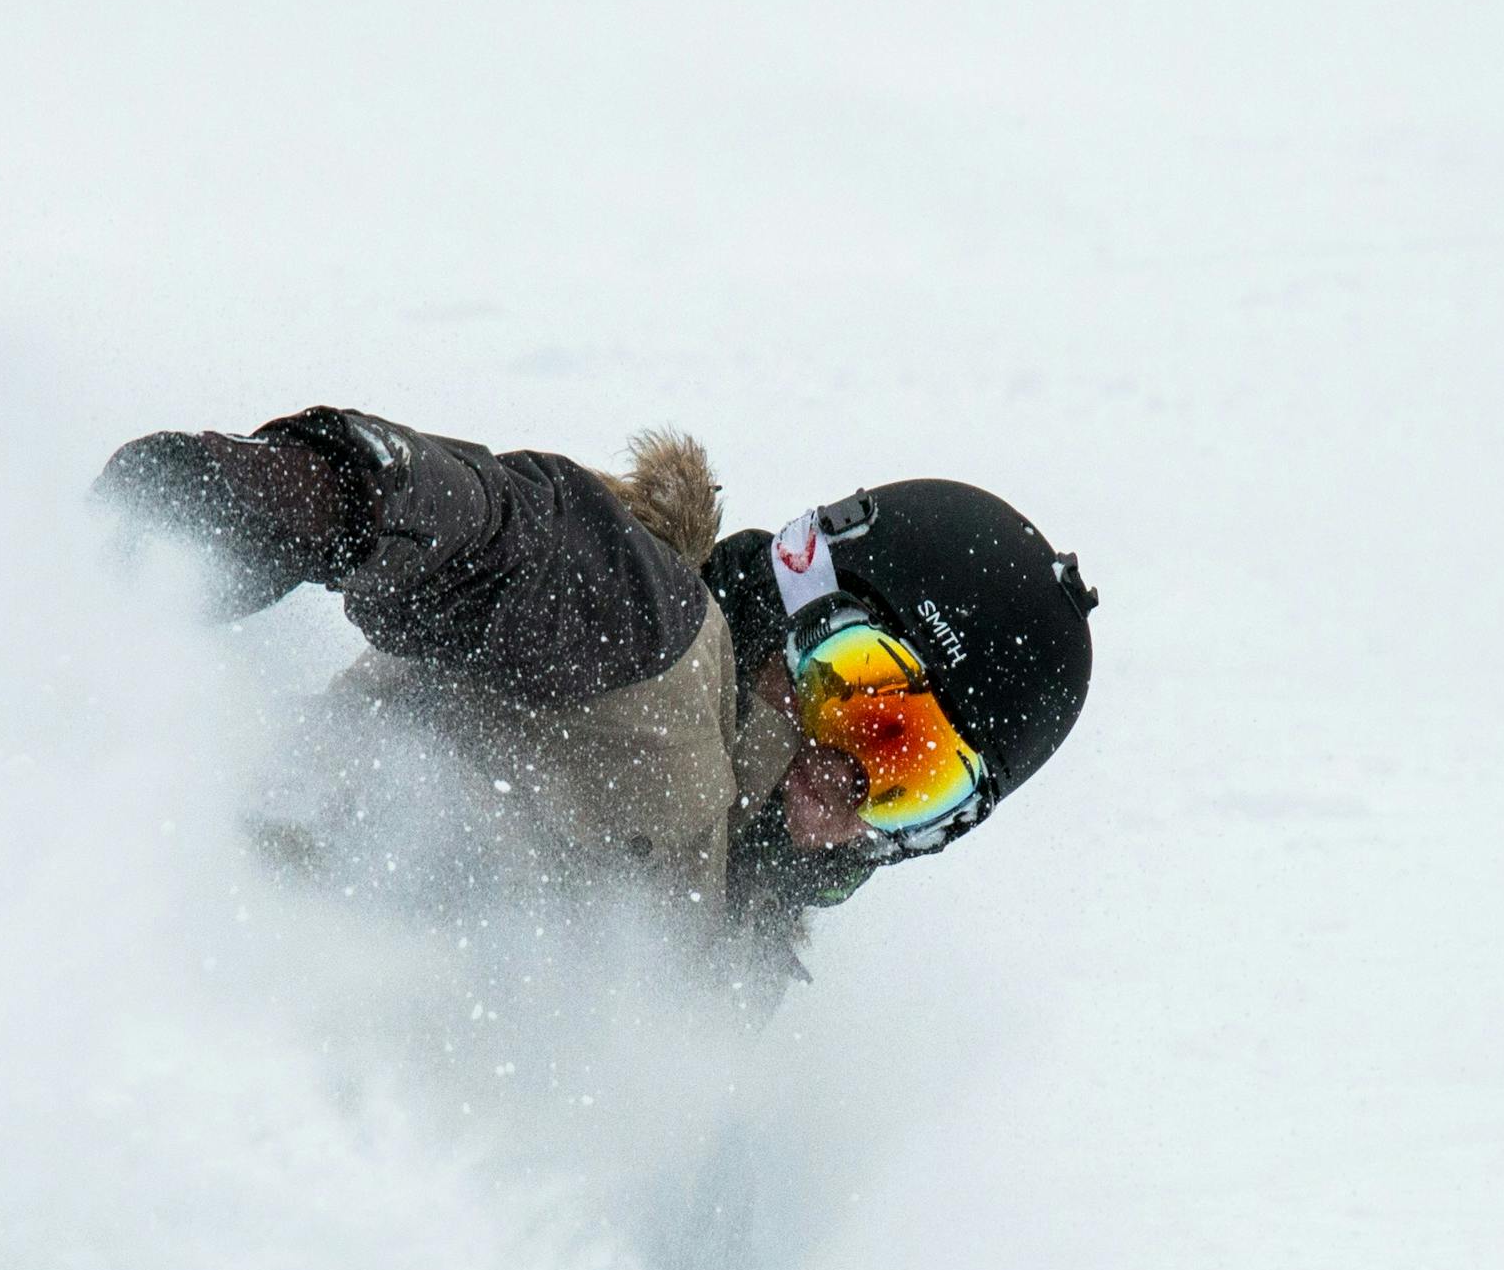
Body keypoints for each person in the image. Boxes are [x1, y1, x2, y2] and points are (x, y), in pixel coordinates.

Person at [95, 408, 1096, 998]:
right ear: (801, 590)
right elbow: (506, 537)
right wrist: (304, 498)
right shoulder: (649, 640)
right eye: (866, 703)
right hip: (201, 967)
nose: (843, 790)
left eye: (913, 781)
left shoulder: (731, 948)